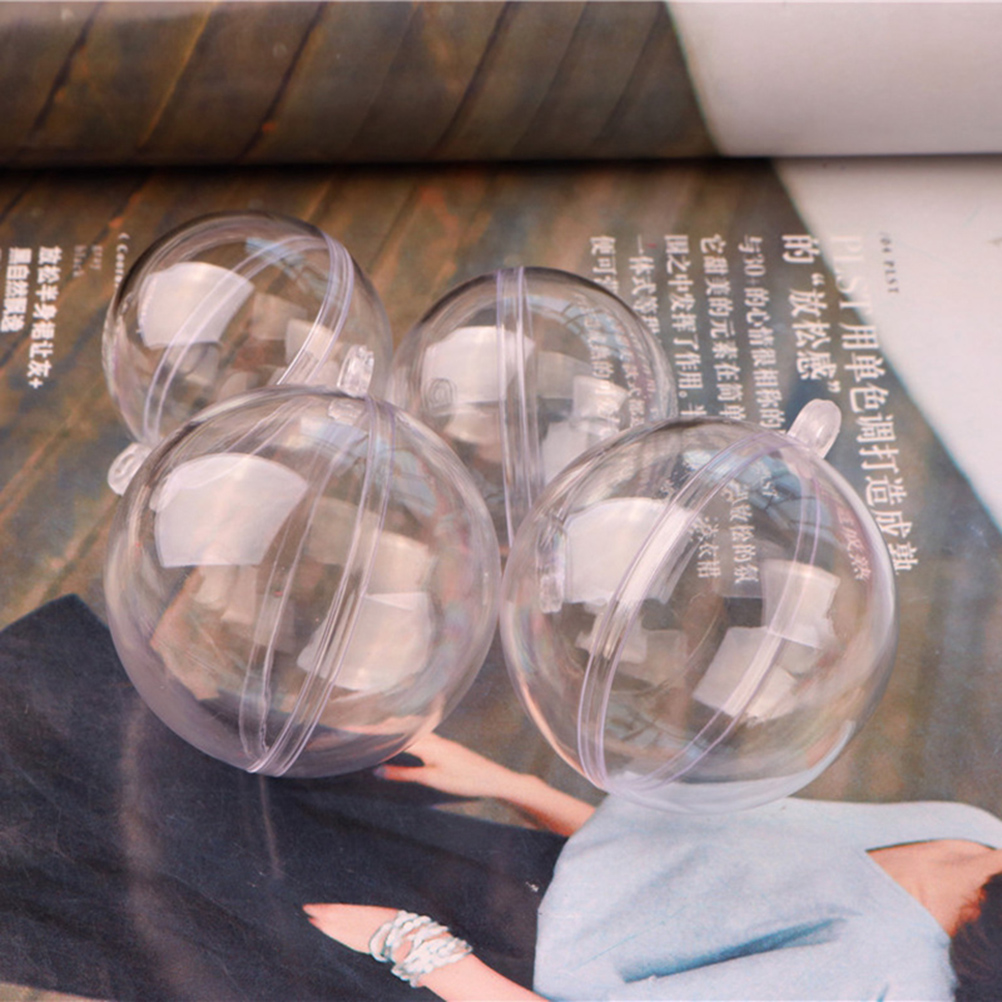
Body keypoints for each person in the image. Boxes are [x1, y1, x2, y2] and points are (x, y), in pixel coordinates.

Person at [305, 733, 1002, 1001]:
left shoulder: (899, 983)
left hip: (480, 965)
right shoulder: (974, 832)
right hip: (506, 865)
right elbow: (696, 877)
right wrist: (514, 786)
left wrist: (416, 949)